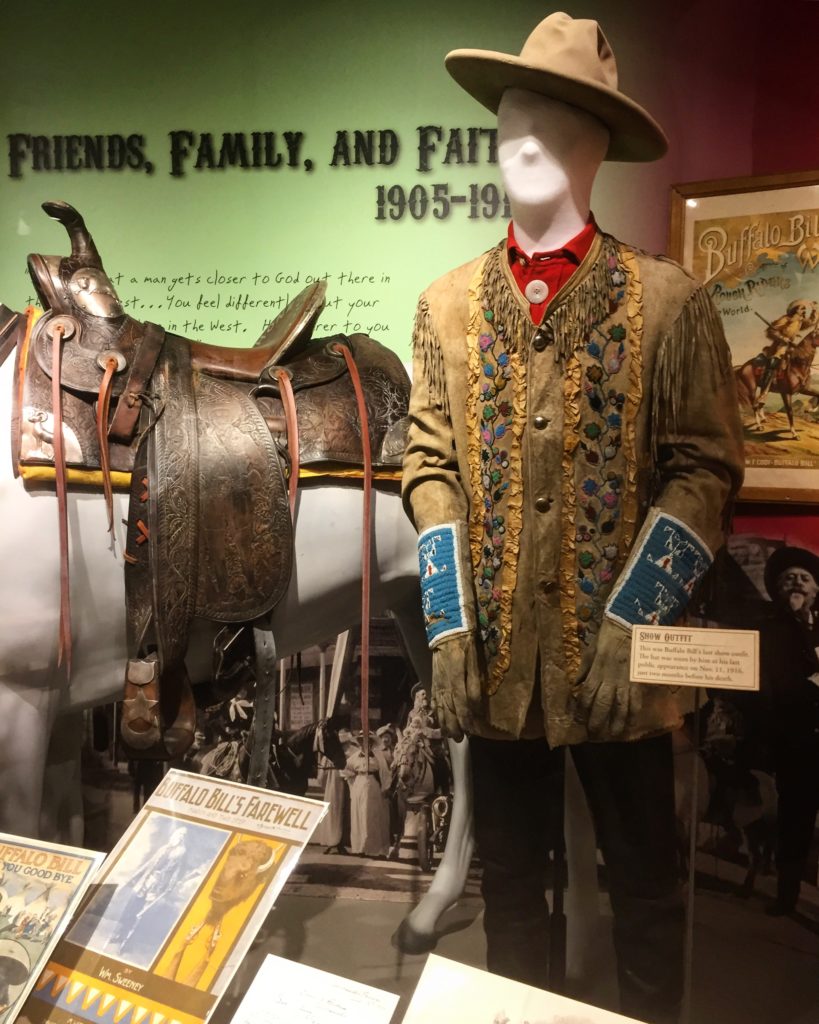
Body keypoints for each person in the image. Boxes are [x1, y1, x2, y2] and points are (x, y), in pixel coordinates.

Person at [402, 13, 744, 1024]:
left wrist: (631, 619)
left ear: (593, 145)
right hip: (497, 660)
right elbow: (429, 467)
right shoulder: (447, 307)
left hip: (625, 673)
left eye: (545, 123)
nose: (517, 139)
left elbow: (703, 470)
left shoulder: (669, 303)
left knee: (644, 883)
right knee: (510, 884)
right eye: (507, 122)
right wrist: (449, 619)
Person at [759, 545, 819, 915]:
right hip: (796, 744)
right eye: (788, 578)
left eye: (805, 578)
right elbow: (777, 685)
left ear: (816, 589)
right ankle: (786, 898)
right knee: (794, 820)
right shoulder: (769, 630)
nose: (796, 582)